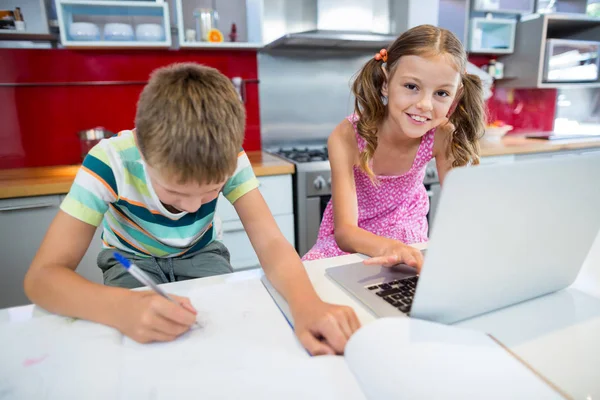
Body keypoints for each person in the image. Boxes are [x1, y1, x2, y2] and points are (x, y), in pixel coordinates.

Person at [24, 63, 359, 355]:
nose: (193, 207)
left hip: (201, 252)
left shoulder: (232, 158)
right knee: (137, 340)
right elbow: (42, 278)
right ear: (142, 150)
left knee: (222, 329)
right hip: (131, 259)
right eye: (174, 191)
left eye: (211, 191)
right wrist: (118, 308)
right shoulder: (109, 161)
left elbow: (271, 243)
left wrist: (307, 305)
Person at [302, 25, 486, 271]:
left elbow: (465, 209)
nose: (424, 105)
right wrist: (391, 248)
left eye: (441, 93)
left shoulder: (442, 135)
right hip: (355, 244)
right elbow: (345, 233)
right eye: (411, 86)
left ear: (456, 95)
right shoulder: (347, 136)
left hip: (410, 242)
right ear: (386, 82)